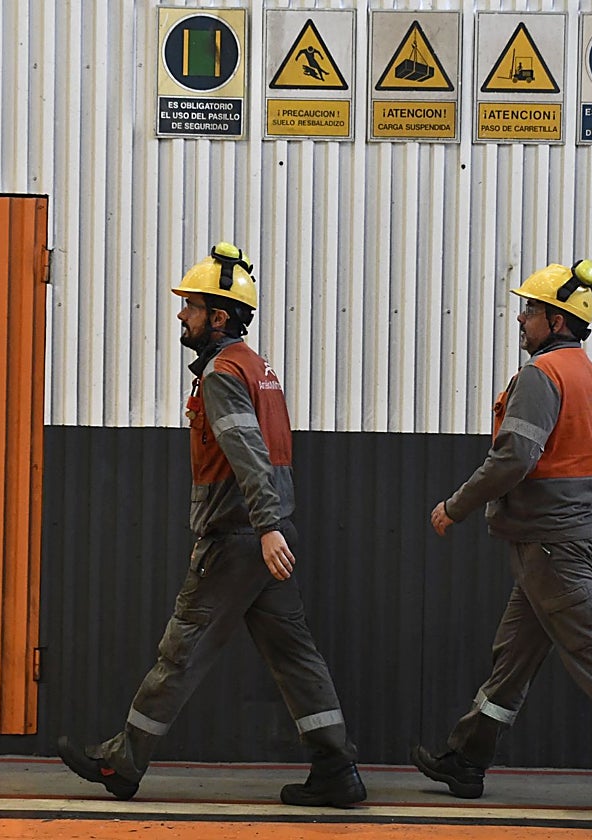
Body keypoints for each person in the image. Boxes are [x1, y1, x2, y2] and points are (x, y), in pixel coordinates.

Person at [58, 242, 365, 808]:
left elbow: (247, 452)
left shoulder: (223, 374)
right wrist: (273, 527)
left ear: (218, 317)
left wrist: (264, 527)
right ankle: (336, 769)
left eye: (191, 306)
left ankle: (122, 763)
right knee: (295, 655)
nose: (182, 314)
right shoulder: (258, 368)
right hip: (268, 537)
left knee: (182, 649)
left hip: (239, 538)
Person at [411, 259, 592, 816]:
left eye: (531, 311)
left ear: (557, 321)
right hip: (565, 541)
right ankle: (466, 758)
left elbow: (513, 458)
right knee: (513, 658)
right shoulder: (590, 378)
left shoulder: (542, 376)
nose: (522, 318)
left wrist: (454, 508)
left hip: (550, 546)